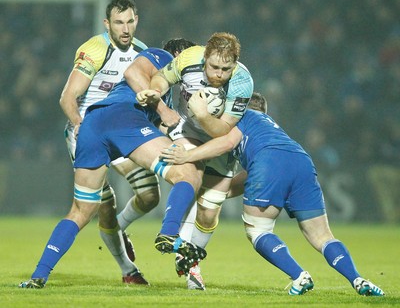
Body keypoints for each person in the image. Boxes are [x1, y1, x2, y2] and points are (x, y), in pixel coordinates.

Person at [161, 92, 385, 297]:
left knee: (258, 230)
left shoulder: (240, 117)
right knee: (323, 237)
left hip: (269, 162)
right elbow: (248, 177)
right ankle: (357, 279)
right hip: (301, 160)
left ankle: (299, 276)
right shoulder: (271, 127)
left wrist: (187, 157)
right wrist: (213, 192)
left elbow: (228, 143)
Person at [19, 47, 206, 289]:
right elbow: (132, 73)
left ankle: (38, 276)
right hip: (122, 121)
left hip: (95, 125)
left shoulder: (165, 93)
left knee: (81, 210)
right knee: (188, 172)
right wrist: (164, 111)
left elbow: (159, 131)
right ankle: (170, 233)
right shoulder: (164, 57)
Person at [136, 32, 254, 290]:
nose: (219, 74)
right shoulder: (189, 58)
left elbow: (222, 131)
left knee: (209, 212)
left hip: (219, 143)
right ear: (204, 58)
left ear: (235, 63)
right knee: (188, 174)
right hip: (186, 130)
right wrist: (155, 92)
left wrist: (202, 114)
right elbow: (161, 77)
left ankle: (189, 257)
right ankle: (176, 245)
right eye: (213, 67)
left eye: (226, 68)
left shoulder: (243, 82)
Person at [59, 0, 152, 284]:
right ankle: (128, 271)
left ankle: (120, 229)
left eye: (129, 22)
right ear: (107, 24)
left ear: (136, 21)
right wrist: (78, 124)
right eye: (118, 22)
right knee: (105, 206)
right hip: (88, 133)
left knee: (150, 194)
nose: (125, 29)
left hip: (118, 130)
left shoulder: (142, 52)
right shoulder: (95, 49)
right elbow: (67, 97)